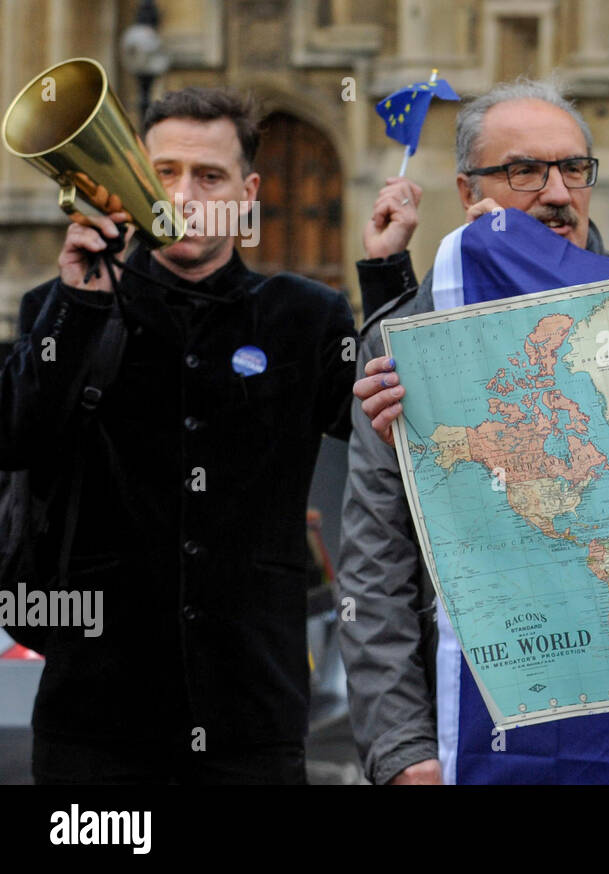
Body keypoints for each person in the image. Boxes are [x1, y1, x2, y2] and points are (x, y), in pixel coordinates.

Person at [0, 88, 359, 783]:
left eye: (209, 176)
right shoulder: (61, 303)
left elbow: (394, 435)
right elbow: (15, 437)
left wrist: (386, 275)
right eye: (164, 173)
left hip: (251, 723)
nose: (184, 195)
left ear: (247, 193)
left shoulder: (307, 317)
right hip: (94, 727)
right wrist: (78, 305)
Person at [340, 77, 609, 785]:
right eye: (525, 170)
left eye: (573, 168)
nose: (556, 192)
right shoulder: (405, 344)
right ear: (467, 191)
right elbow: (376, 565)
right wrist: (402, 752)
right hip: (477, 738)